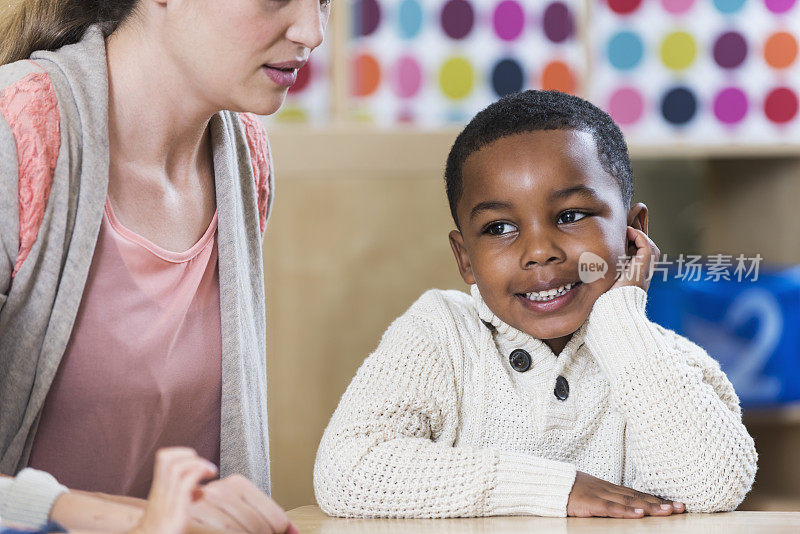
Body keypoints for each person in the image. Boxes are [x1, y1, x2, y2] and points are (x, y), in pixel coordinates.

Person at [313, 90, 758, 518]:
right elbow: (347, 471)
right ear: (465, 258)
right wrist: (554, 489)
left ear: (633, 230)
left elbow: (713, 486)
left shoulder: (667, 361)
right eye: (499, 228)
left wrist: (621, 323)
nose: (539, 251)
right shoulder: (440, 333)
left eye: (570, 216)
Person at [0, 0, 329, 531]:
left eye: (325, 1)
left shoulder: (244, 158)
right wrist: (122, 521)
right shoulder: (15, 134)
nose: (312, 31)